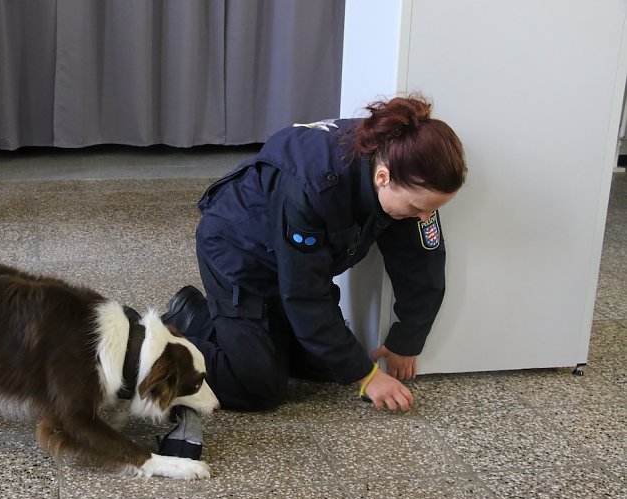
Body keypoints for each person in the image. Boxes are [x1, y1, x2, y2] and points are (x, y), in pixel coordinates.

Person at [161, 94, 467, 412]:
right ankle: (156, 346)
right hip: (239, 250)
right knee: (258, 385)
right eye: (418, 208)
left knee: (327, 365)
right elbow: (304, 293)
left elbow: (422, 264)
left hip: (291, 259)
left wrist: (406, 340)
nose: (423, 217)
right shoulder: (315, 186)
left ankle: (204, 315)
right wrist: (367, 376)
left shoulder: (408, 171)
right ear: (383, 178)